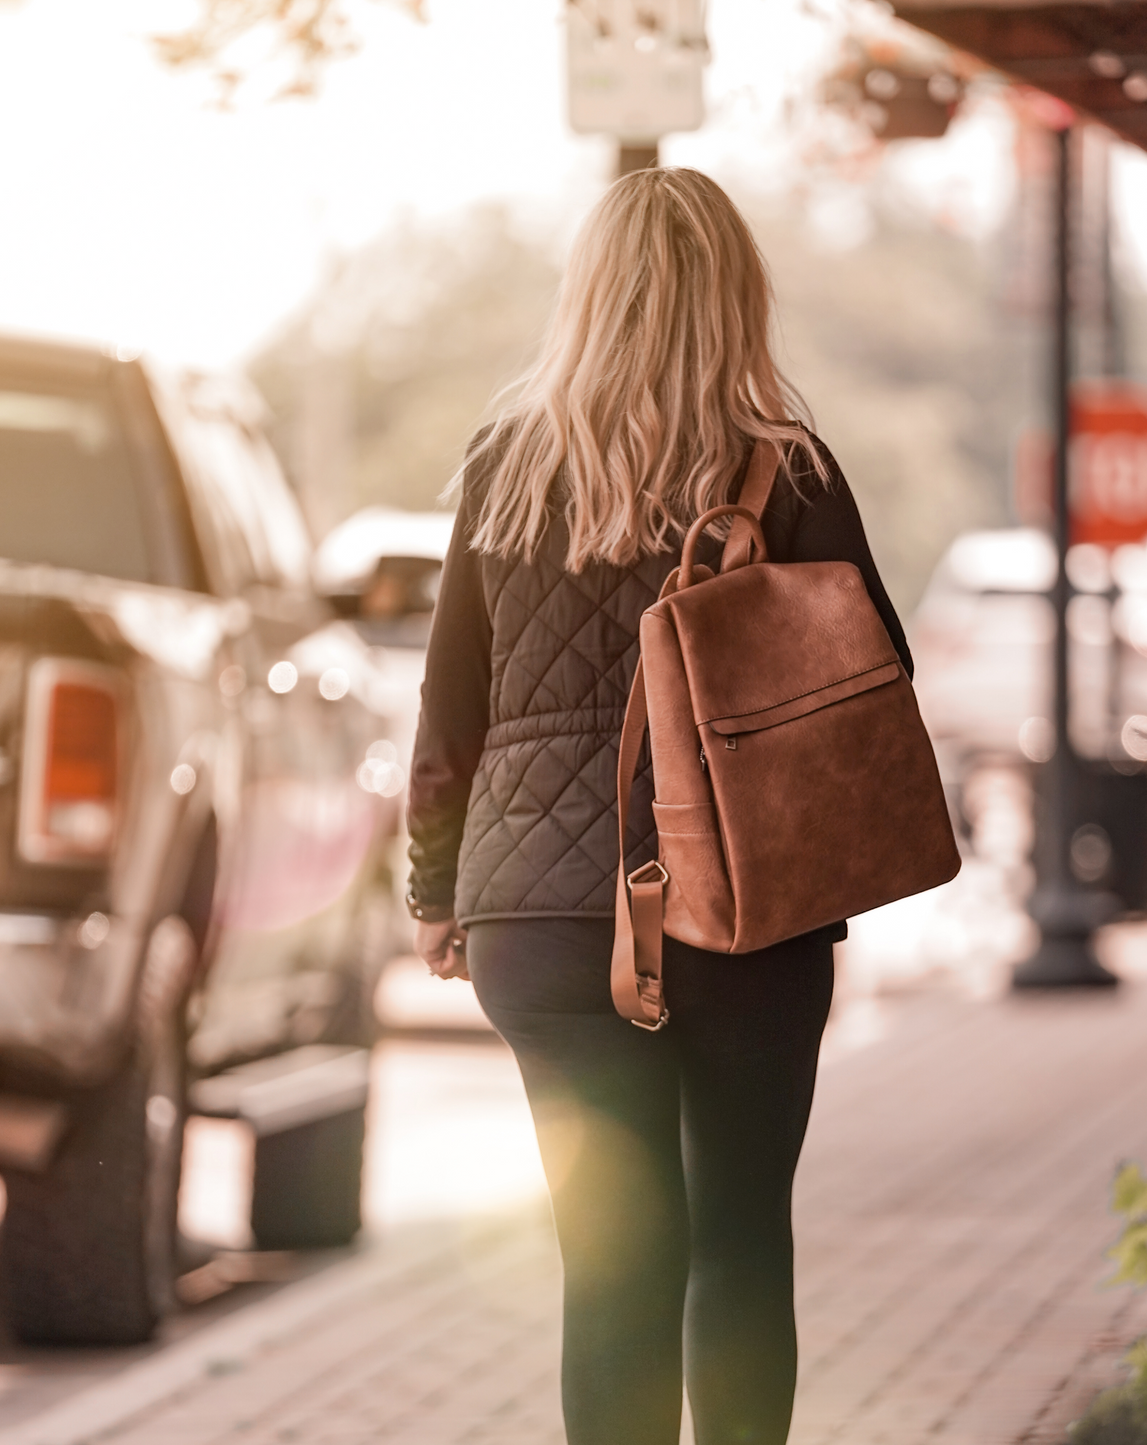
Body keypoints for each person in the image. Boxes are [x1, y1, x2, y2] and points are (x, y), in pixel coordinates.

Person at [407, 167, 911, 1445]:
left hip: (540, 918)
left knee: (611, 1265)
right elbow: (875, 677)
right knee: (738, 1239)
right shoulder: (783, 468)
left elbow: (448, 705)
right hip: (740, 903)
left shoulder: (505, 459)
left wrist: (433, 890)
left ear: (588, 292)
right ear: (736, 296)